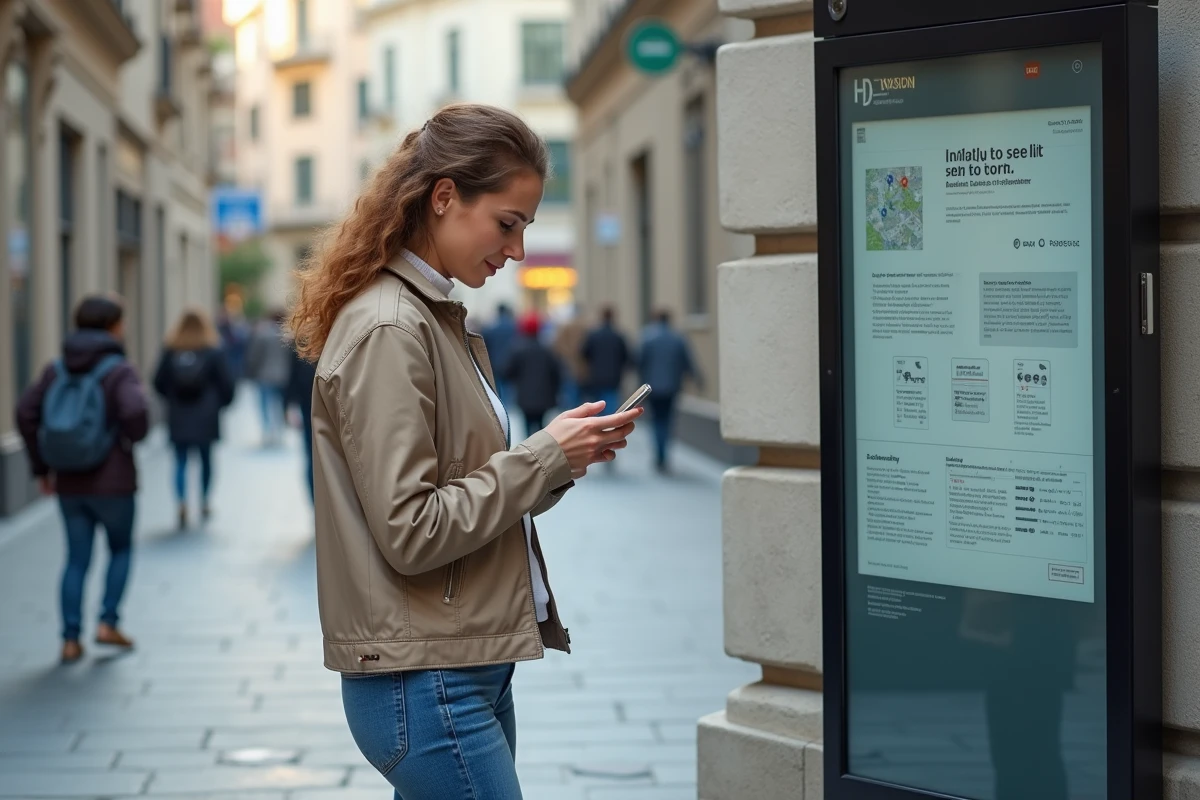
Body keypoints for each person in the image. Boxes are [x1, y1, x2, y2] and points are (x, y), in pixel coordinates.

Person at [287, 103, 643, 799]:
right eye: (507, 224)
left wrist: (562, 459)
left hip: (453, 668)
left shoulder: (428, 317)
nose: (516, 252)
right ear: (445, 197)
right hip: (427, 680)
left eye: (525, 230)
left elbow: (464, 488)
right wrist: (542, 456)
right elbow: (411, 530)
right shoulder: (393, 326)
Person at [15, 294, 149, 663]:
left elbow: (25, 412)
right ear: (112, 326)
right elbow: (135, 410)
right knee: (120, 549)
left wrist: (43, 467)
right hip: (114, 481)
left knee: (75, 559)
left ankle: (70, 639)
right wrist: (130, 436)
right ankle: (107, 623)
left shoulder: (56, 368)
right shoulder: (119, 368)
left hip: (69, 482)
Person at [153, 309, 235, 529]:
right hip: (206, 414)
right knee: (206, 460)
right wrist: (221, 404)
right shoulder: (213, 350)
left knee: (180, 461)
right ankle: (204, 500)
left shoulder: (171, 350)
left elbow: (157, 382)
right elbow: (226, 383)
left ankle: (181, 502)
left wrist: (172, 399)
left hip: (179, 414)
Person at [638, 309, 701, 472]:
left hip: (652, 388)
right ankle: (664, 453)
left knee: (656, 420)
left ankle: (659, 453)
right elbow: (688, 361)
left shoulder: (648, 337)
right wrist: (697, 379)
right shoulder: (677, 338)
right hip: (672, 387)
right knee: (668, 420)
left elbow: (640, 362)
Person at [504, 312, 562, 435]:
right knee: (541, 425)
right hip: (544, 396)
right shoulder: (547, 350)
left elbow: (508, 372)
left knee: (527, 426)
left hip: (525, 396)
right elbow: (556, 373)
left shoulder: (518, 350)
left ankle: (530, 449)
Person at [244, 310, 292, 446]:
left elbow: (254, 356)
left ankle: (267, 432)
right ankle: (278, 431)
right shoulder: (286, 336)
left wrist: (251, 371)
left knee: (264, 405)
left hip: (264, 375)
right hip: (283, 376)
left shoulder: (262, 334)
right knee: (278, 404)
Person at [582, 306, 631, 415]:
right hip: (613, 376)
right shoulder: (618, 336)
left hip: (597, 375)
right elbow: (625, 356)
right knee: (611, 404)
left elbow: (584, 353)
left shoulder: (594, 335)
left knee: (598, 404)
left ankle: (600, 426)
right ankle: (609, 426)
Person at [284, 340, 317, 501]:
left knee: (312, 456)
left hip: (311, 403)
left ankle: (317, 505)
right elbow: (293, 374)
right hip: (310, 404)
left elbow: (293, 374)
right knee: (313, 457)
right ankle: (317, 505)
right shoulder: (303, 341)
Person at [551, 304, 588, 410]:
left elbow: (558, 345)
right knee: (576, 392)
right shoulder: (585, 327)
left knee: (570, 391)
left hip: (570, 365)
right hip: (579, 366)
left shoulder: (566, 327)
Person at [481, 303, 518, 405]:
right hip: (511, 360)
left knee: (498, 386)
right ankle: (509, 405)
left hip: (495, 362)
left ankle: (502, 405)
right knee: (509, 386)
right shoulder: (514, 327)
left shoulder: (492, 328)